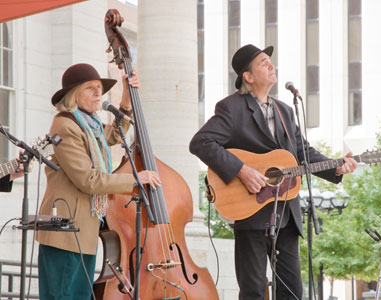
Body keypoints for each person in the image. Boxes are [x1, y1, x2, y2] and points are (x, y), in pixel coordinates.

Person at [189, 44, 357, 300]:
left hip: (286, 215)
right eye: (263, 62)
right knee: (253, 291)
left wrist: (336, 165)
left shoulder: (285, 111)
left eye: (271, 61)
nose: (271, 65)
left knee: (292, 291)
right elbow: (201, 142)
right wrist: (242, 170)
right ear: (248, 76)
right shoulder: (231, 108)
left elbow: (303, 152)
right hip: (250, 212)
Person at [36, 63, 161, 300]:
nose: (98, 94)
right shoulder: (65, 124)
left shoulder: (89, 124)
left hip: (84, 229)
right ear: (73, 94)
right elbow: (88, 180)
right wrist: (135, 179)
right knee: (62, 295)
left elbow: (115, 134)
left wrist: (126, 99)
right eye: (90, 88)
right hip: (65, 230)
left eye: (100, 88)